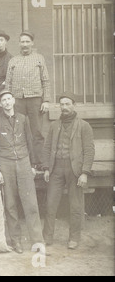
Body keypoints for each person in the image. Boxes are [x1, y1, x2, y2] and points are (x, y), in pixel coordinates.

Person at [0, 89, 44, 254]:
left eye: (8, 98)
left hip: (23, 162)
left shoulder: (23, 119)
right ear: (0, 104)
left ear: (13, 101)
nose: (6, 102)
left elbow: (30, 141)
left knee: (31, 203)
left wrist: (33, 165)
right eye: (3, 100)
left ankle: (37, 241)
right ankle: (16, 241)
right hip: (6, 164)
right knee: (10, 204)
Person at [42, 92, 95, 250]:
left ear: (74, 105)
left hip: (75, 170)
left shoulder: (84, 126)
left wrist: (84, 172)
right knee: (51, 204)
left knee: (75, 205)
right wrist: (46, 168)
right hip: (56, 168)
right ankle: (47, 237)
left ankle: (74, 238)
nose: (64, 107)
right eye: (62, 104)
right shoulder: (54, 125)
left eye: (67, 104)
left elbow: (89, 150)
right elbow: (46, 148)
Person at [5, 31, 51, 166]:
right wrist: (8, 101)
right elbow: (8, 83)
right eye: (22, 42)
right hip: (17, 100)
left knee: (36, 131)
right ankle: (23, 160)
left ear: (32, 43)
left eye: (27, 42)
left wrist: (46, 100)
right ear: (19, 43)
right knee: (19, 130)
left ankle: (40, 161)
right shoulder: (13, 61)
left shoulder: (39, 58)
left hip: (35, 100)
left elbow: (45, 80)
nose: (25, 44)